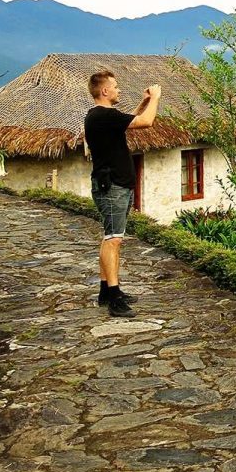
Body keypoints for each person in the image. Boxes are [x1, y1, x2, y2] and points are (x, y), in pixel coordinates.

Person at [84, 70, 161, 317]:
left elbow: (132, 119)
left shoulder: (103, 117)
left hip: (116, 185)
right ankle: (115, 297)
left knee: (111, 236)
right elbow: (146, 122)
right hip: (112, 186)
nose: (118, 90)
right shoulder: (103, 116)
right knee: (114, 239)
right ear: (104, 91)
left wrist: (145, 102)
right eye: (115, 87)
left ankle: (106, 291)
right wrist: (157, 98)